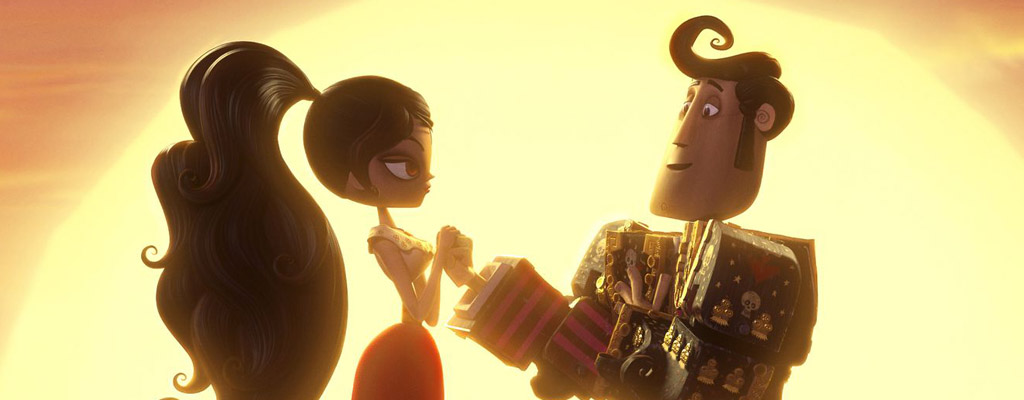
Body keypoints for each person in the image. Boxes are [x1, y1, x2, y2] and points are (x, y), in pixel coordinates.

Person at [442, 16, 816, 400]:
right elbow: (562, 342)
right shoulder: (621, 242)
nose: (683, 135)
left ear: (761, 119)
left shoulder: (774, 267)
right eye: (686, 106)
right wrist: (472, 280)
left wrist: (645, 323)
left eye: (709, 110)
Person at [144, 41, 460, 400]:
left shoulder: (396, 234)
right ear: (356, 178)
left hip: (412, 347)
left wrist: (450, 263)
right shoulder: (382, 240)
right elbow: (418, 312)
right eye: (406, 166)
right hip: (401, 355)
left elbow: (428, 316)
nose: (427, 179)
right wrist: (439, 255)